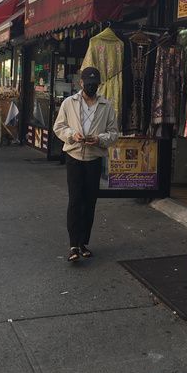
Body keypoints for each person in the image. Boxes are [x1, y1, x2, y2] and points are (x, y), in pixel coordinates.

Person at [53, 67, 119, 263]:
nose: (91, 86)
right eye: (87, 82)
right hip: (74, 157)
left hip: (94, 158)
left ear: (98, 85)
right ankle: (73, 244)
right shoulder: (69, 103)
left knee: (90, 202)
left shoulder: (106, 106)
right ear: (80, 83)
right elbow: (59, 127)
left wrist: (99, 139)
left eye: (94, 83)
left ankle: (83, 243)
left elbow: (114, 133)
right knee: (75, 200)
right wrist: (72, 135)